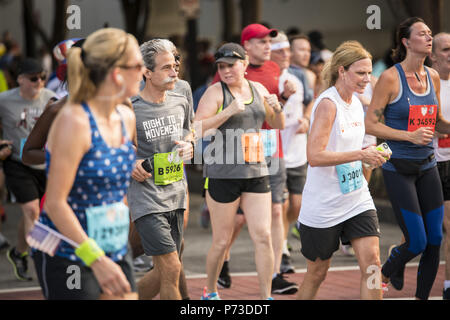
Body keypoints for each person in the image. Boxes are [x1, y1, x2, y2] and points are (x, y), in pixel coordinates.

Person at [34, 27, 143, 299]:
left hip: (113, 245)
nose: (144, 70)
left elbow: (117, 191)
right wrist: (95, 258)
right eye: (138, 64)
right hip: (69, 251)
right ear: (117, 73)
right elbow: (56, 203)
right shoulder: (73, 121)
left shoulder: (126, 116)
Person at [365, 17, 450, 300]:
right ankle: (389, 268)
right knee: (416, 242)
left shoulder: (433, 76)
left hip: (428, 166)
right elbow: (371, 125)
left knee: (435, 240)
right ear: (405, 41)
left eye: (430, 34)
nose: (429, 38)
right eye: (422, 34)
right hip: (398, 167)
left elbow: (436, 121)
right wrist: (408, 136)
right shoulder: (391, 78)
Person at [296, 41, 387, 300]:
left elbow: (352, 148)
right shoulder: (327, 104)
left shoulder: (357, 102)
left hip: (356, 196)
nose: (367, 79)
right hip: (324, 203)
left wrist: (373, 157)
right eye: (360, 73)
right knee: (317, 273)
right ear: (342, 71)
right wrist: (361, 154)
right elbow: (314, 156)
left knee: (372, 263)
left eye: (369, 73)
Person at [214, 24, 298, 295]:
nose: (267, 46)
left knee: (277, 210)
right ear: (246, 47)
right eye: (261, 41)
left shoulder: (274, 69)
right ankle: (222, 262)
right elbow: (213, 118)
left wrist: (283, 97)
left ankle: (274, 275)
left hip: (271, 149)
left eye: (268, 42)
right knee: (237, 221)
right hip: (236, 157)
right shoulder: (227, 75)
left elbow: (273, 113)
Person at [196, 42, 284, 300]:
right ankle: (210, 291)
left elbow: (278, 124)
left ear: (244, 64)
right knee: (221, 241)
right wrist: (228, 111)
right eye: (221, 66)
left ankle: (266, 296)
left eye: (231, 65)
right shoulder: (215, 93)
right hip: (223, 174)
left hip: (256, 171)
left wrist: (276, 107)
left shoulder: (257, 88)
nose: (225, 71)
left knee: (264, 236)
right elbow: (197, 129)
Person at [128, 38, 194, 300]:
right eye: (166, 68)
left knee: (169, 269)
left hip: (176, 193)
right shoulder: (130, 106)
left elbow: (190, 131)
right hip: (146, 197)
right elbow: (113, 143)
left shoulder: (182, 95)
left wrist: (190, 146)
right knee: (171, 266)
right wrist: (129, 161)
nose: (174, 72)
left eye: (175, 66)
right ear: (147, 72)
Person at [0, 58, 55, 281]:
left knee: (35, 212)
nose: (39, 82)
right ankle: (44, 260)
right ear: (20, 79)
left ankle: (19, 252)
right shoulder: (4, 100)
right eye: (33, 78)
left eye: (42, 77)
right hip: (18, 164)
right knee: (32, 211)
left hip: (46, 162)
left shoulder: (52, 99)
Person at [270, 32, 310, 275]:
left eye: (287, 49)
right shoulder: (267, 79)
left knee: (297, 206)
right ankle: (282, 250)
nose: (286, 54)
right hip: (277, 154)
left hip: (299, 152)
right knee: (281, 206)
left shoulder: (299, 75)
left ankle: (282, 242)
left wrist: (306, 118)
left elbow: (308, 101)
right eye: (280, 50)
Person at [430, 32, 450, 300]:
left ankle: (447, 285)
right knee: (422, 233)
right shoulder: (426, 82)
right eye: (446, 49)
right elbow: (433, 124)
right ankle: (391, 267)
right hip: (428, 163)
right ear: (433, 55)